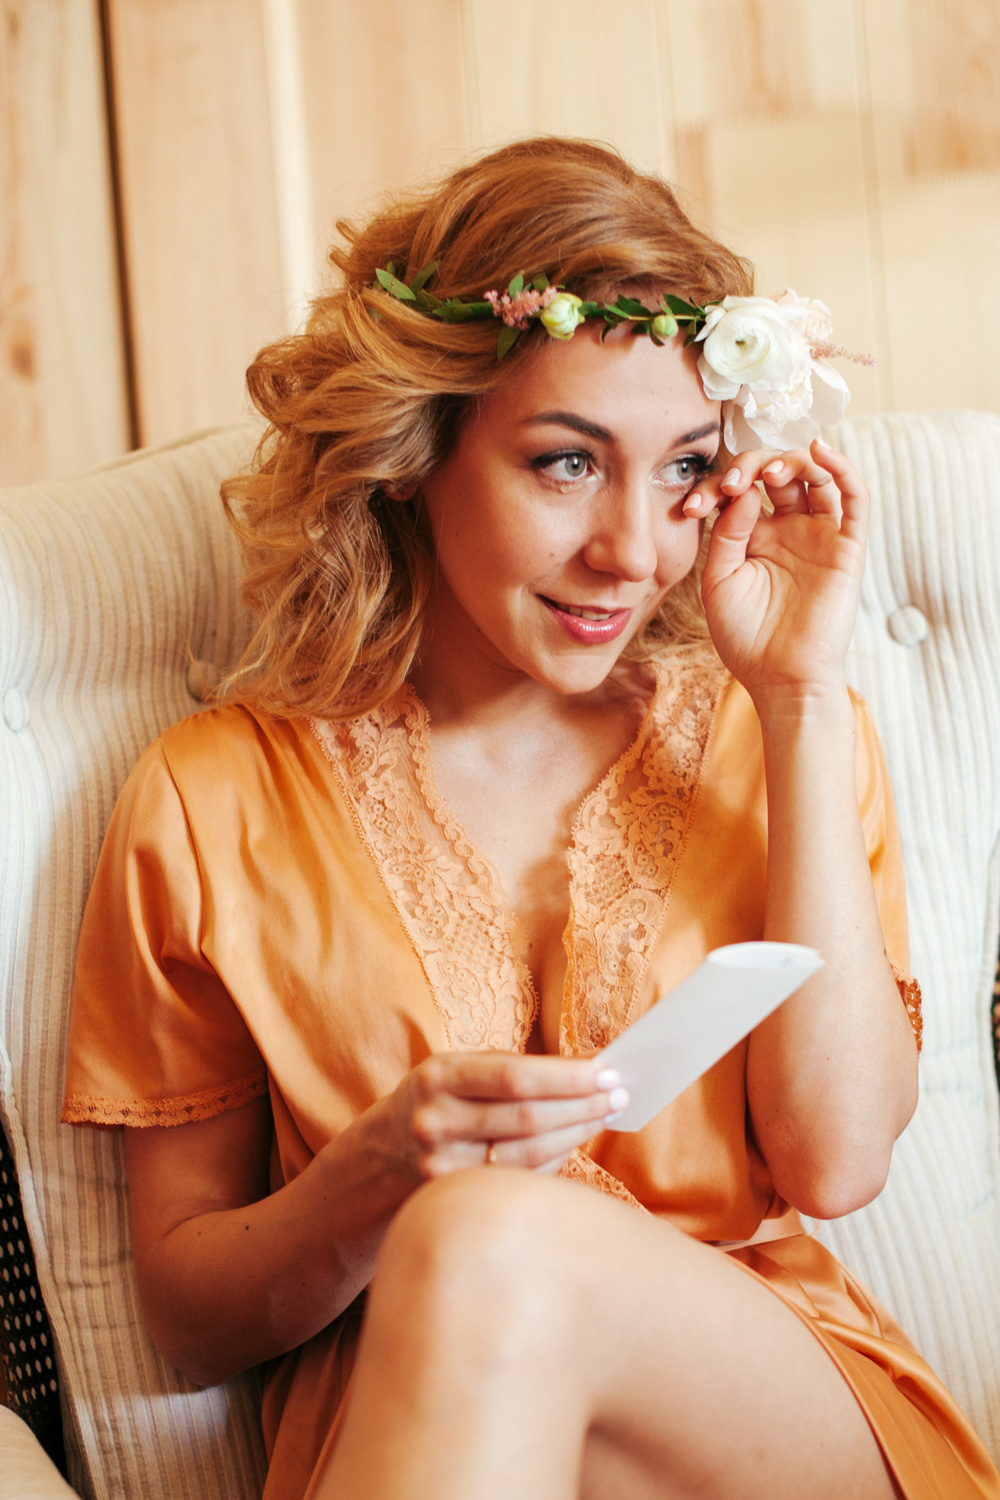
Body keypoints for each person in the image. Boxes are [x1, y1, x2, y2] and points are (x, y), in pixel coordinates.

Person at [62, 138, 1000, 1500]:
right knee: (471, 1240)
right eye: (565, 464)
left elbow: (838, 1159)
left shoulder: (776, 729)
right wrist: (374, 1176)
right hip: (413, 1423)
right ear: (412, 456)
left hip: (761, 1425)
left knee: (493, 1238)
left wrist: (798, 699)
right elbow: (190, 1319)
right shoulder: (211, 800)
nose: (634, 548)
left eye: (683, 471)